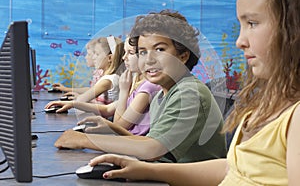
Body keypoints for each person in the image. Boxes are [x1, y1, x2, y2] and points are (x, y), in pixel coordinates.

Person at [87, 0, 300, 185]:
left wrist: (85, 139)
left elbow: (153, 148)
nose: (239, 41)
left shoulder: (295, 117)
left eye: (252, 23)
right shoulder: (265, 105)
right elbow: (233, 169)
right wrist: (146, 170)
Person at [53, 9, 227, 163]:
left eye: (159, 49)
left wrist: (83, 140)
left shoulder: (188, 92)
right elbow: (154, 142)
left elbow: (152, 150)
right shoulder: (163, 94)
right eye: (142, 52)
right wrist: (112, 128)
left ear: (183, 56)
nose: (149, 60)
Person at [51, 38, 161, 136]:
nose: (124, 57)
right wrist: (73, 104)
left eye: (130, 53)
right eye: (124, 52)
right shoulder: (137, 83)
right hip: (125, 141)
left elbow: (120, 125)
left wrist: (124, 91)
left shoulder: (148, 87)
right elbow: (108, 109)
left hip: (132, 144)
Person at [45, 36, 125, 113]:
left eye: (96, 54)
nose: (93, 58)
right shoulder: (111, 77)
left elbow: (81, 100)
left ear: (110, 58)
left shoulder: (108, 80)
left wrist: (71, 103)